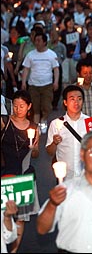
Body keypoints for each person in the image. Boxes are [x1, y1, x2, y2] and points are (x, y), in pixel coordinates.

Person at [0, 90, 40, 253]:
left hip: (24, 175)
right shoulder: (4, 121)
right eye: (15, 106)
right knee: (4, 214)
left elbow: (36, 154)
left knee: (21, 217)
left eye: (22, 106)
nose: (18, 109)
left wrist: (33, 148)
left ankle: (14, 251)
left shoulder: (34, 128)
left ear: (29, 106)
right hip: (5, 172)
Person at [46, 85, 89, 180]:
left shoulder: (89, 122)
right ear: (65, 102)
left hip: (86, 175)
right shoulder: (56, 123)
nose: (76, 102)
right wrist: (54, 142)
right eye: (72, 99)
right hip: (65, 176)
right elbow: (49, 151)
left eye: (79, 99)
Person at [20, 30, 59, 127]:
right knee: (35, 107)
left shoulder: (51, 54)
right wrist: (23, 82)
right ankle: (36, 127)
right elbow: (26, 69)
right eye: (35, 40)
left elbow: (56, 69)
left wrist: (56, 82)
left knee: (47, 106)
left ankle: (44, 120)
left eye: (39, 40)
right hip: (33, 85)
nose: (36, 42)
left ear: (44, 42)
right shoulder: (31, 54)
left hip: (47, 85)